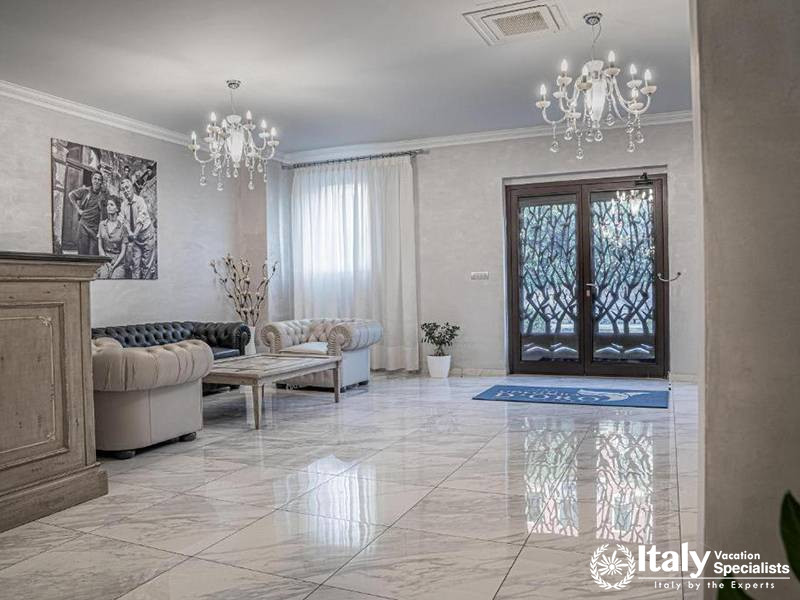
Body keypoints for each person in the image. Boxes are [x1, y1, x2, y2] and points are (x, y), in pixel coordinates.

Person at [119, 178, 156, 279]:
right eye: (123, 189)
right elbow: (123, 220)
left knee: (147, 265)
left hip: (147, 235)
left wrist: (133, 234)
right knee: (135, 265)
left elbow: (141, 220)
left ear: (132, 188)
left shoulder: (140, 201)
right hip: (135, 238)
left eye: (127, 188)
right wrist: (130, 233)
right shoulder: (123, 205)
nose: (126, 191)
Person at [67, 171, 106, 255]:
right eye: (95, 178)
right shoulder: (85, 191)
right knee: (82, 253)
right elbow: (71, 195)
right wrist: (78, 209)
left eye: (99, 180)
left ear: (101, 182)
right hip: (83, 226)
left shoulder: (103, 195)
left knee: (93, 255)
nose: (97, 181)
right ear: (92, 180)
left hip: (95, 229)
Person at [97, 197, 128, 279]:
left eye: (111, 205)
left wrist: (114, 266)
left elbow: (123, 251)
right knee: (103, 276)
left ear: (117, 209)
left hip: (118, 262)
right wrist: (106, 262)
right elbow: (100, 247)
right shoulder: (102, 225)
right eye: (107, 205)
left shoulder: (123, 227)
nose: (108, 207)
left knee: (115, 279)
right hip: (105, 259)